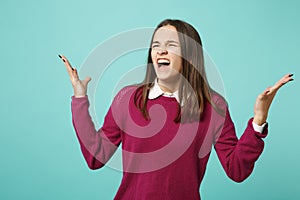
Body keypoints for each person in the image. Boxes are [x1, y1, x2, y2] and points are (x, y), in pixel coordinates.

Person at [60, 19, 293, 200]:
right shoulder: (128, 98)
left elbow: (236, 169)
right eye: (156, 45)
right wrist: (80, 98)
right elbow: (95, 157)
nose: (160, 51)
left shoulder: (213, 106)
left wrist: (258, 122)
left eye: (171, 45)